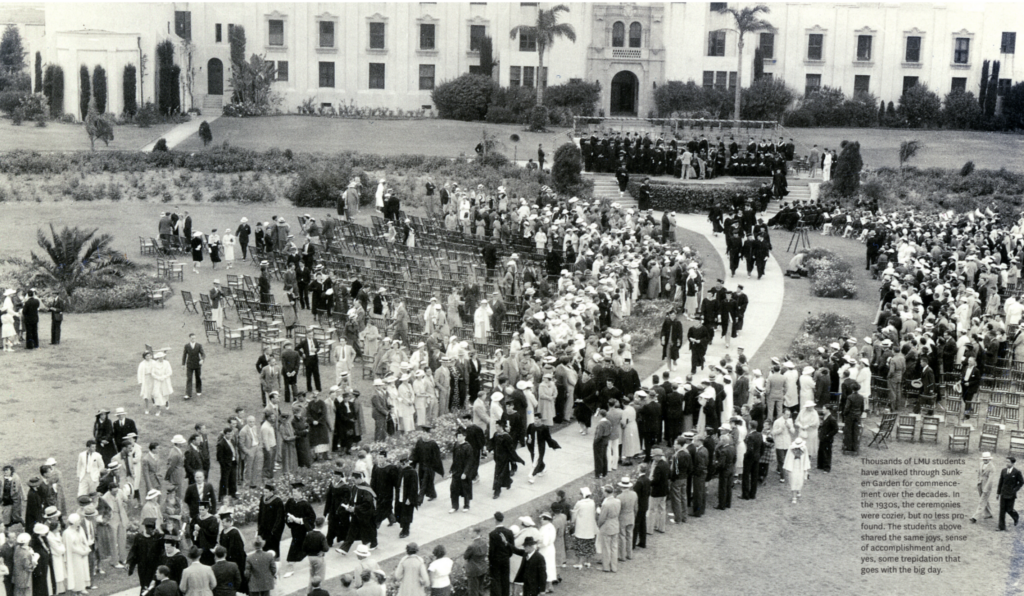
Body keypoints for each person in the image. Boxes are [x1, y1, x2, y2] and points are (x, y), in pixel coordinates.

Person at [488, 512, 521, 596]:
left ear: (495, 520)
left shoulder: (492, 534)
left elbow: (492, 550)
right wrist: (507, 555)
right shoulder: (509, 532)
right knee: (505, 579)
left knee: (496, 580)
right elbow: (512, 547)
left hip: (496, 561)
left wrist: (491, 561)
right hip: (506, 559)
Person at [570, 488, 596, 570]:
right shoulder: (592, 502)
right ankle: (588, 562)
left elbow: (574, 514)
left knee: (580, 544)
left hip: (581, 527)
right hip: (590, 527)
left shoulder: (579, 503)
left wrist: (572, 522)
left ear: (582, 495)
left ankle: (579, 563)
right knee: (589, 544)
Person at [596, 485, 620, 572]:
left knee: (606, 547)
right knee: (614, 547)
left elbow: (602, 518)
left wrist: (599, 525)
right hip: (615, 525)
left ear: (606, 493)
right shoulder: (618, 501)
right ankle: (614, 567)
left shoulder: (606, 504)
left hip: (607, 526)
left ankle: (606, 567)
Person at [998, 456, 1024, 531]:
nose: (1007, 463)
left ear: (1013, 463)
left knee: (1009, 509)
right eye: (1006, 462)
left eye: (1008, 462)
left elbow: (1021, 482)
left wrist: (1015, 489)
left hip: (1011, 494)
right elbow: (1000, 482)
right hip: (1003, 493)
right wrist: (998, 493)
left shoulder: (1017, 472)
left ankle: (1015, 517)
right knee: (1002, 510)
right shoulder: (1003, 471)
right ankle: (1001, 527)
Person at [783, 436, 811, 504]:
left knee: (800, 480)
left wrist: (806, 469)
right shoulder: (790, 448)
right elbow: (788, 458)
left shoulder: (804, 448)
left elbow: (806, 458)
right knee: (793, 480)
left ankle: (798, 490)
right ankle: (794, 497)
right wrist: (788, 468)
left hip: (801, 467)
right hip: (793, 467)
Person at [462, 527, 488, 596]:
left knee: (473, 591)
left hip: (474, 571)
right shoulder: (484, 542)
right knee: (480, 589)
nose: (470, 534)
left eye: (471, 532)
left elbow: (465, 556)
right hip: (482, 569)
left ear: (475, 533)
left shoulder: (471, 546)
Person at [972, 452, 996, 524]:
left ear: (989, 459)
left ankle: (975, 517)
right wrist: (978, 481)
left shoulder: (992, 468)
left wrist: (986, 488)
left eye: (986, 459)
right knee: (984, 500)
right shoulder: (981, 464)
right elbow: (979, 474)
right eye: (984, 459)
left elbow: (990, 479)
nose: (985, 460)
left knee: (982, 501)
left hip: (987, 486)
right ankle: (989, 514)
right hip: (980, 484)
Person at [182, 334, 205, 400]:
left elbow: (203, 354)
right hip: (189, 365)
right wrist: (183, 364)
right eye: (192, 338)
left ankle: (198, 390)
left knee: (198, 377)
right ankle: (188, 394)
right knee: (189, 378)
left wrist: (202, 359)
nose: (193, 339)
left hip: (197, 364)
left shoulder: (199, 345)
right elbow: (184, 355)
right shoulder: (187, 346)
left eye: (194, 338)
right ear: (190, 338)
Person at [816, 405, 839, 472]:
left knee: (827, 452)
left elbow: (836, 429)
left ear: (828, 410)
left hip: (827, 439)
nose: (822, 410)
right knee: (821, 451)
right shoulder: (824, 417)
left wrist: (828, 435)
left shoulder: (832, 419)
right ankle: (820, 465)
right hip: (822, 438)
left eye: (824, 409)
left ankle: (827, 467)